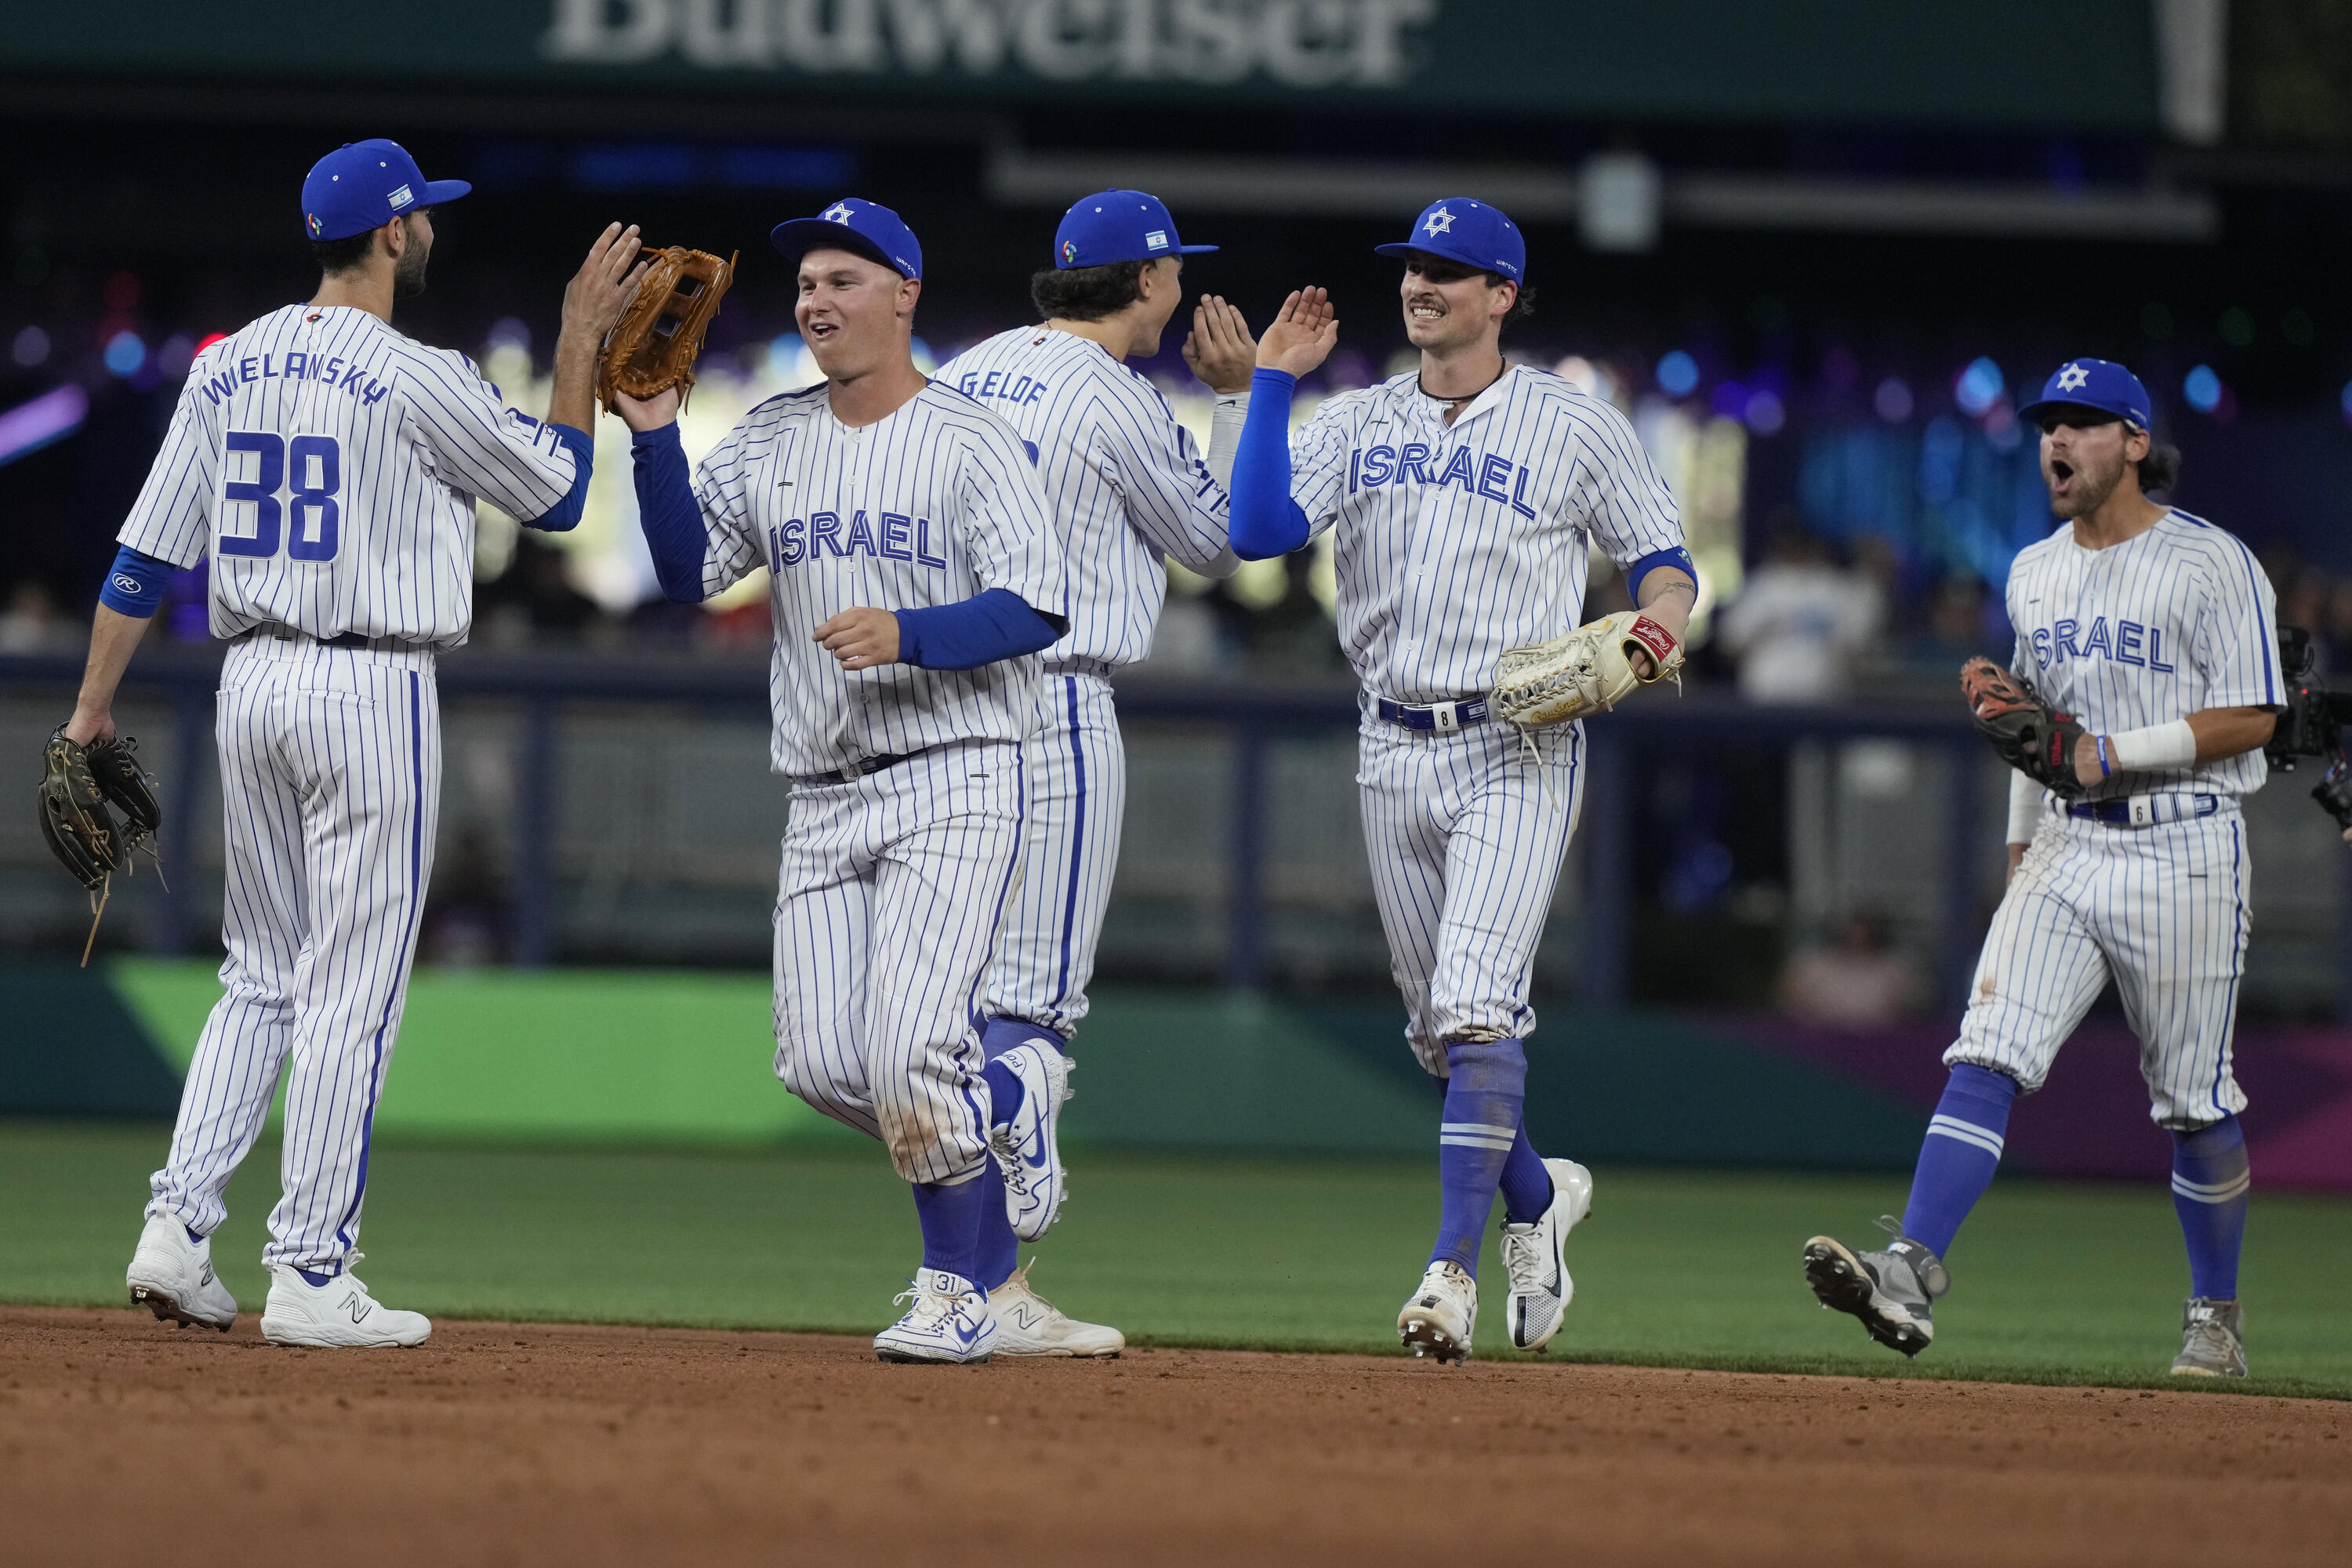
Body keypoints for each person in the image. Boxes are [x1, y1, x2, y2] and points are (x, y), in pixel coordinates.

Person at [103, 139, 648, 1345]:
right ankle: (309, 1270)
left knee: (259, 972)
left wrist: (90, 710)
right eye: (424, 217)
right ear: (394, 234)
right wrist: (575, 343)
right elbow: (556, 497)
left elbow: (141, 562)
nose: (430, 231)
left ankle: (176, 1230)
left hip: (249, 682)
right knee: (352, 988)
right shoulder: (415, 372)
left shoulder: (226, 363)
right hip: (369, 687)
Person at [1227, 198, 1698, 1362]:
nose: (1422, 284)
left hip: (1518, 739)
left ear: (1503, 295)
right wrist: (1275, 382)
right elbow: (1252, 535)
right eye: (1414, 267)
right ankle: (1538, 1198)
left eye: (1452, 270)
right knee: (1443, 1042)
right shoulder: (1354, 420)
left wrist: (1652, 639)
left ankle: (1449, 1276)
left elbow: (1666, 565)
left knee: (1479, 1008)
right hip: (1390, 740)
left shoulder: (1572, 423)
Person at [613, 198, 1071, 1365]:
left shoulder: (972, 437)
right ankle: (1010, 1106)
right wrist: (655, 432)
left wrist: (910, 631)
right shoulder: (770, 437)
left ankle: (953, 1287)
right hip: (822, 789)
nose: (817, 299)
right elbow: (686, 571)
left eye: (845, 279)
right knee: (820, 1062)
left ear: (905, 294)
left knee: (912, 1049)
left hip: (957, 770)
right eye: (809, 281)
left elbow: (1033, 604)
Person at [1803, 358, 2280, 1377]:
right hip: (2069, 842)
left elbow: (2257, 714)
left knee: (2194, 1103)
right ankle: (1910, 1269)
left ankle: (2215, 1318)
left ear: (2137, 443)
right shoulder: (2033, 569)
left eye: (2085, 425)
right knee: (1988, 1049)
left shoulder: (2212, 562)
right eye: (2047, 426)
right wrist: (2023, 852)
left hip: (2186, 841)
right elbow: (2039, 734)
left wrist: (2119, 752)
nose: (2058, 443)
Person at [932, 190, 1260, 1356]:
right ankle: (1014, 1117)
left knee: (954, 1007)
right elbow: (1221, 543)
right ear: (1150, 280)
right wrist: (1238, 399)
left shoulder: (968, 367)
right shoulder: (1116, 396)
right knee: (1032, 1010)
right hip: (1055, 701)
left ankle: (986, 1289)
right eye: (1175, 272)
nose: (1179, 289)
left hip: (944, 697)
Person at [1715, 524, 1878, 703]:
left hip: (1824, 698)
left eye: (1798, 546)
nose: (1794, 552)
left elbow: (1858, 649)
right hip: (1765, 697)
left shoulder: (1836, 588)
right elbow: (1729, 646)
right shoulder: (1761, 586)